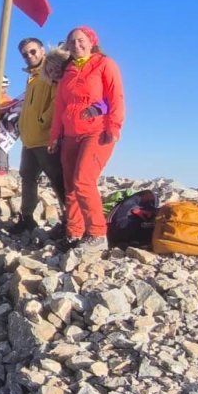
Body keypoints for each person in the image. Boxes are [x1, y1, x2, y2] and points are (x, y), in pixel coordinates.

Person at [47, 26, 124, 251]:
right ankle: (74, 232)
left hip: (97, 132)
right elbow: (60, 106)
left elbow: (116, 96)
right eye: (71, 42)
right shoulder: (68, 71)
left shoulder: (104, 64)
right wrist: (54, 136)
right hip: (71, 135)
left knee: (83, 181)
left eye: (81, 41)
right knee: (70, 186)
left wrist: (114, 126)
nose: (76, 45)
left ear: (92, 42)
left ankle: (97, 234)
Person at [11, 38, 67, 235]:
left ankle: (69, 221)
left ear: (42, 50)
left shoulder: (50, 71)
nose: (30, 56)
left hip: (45, 138)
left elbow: (57, 100)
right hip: (29, 139)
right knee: (27, 177)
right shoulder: (32, 76)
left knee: (57, 179)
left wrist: (43, 121)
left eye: (33, 51)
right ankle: (26, 218)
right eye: (25, 54)